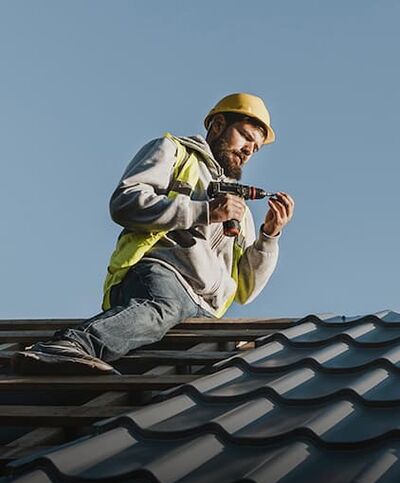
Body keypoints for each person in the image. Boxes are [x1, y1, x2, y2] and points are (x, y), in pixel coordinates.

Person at [11, 93, 295, 376]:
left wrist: (269, 236)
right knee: (161, 308)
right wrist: (204, 212)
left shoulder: (240, 211)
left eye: (255, 148)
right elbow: (125, 203)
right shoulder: (174, 153)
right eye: (245, 137)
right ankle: (69, 344)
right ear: (218, 125)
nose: (248, 150)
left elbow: (245, 290)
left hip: (205, 310)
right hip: (163, 277)